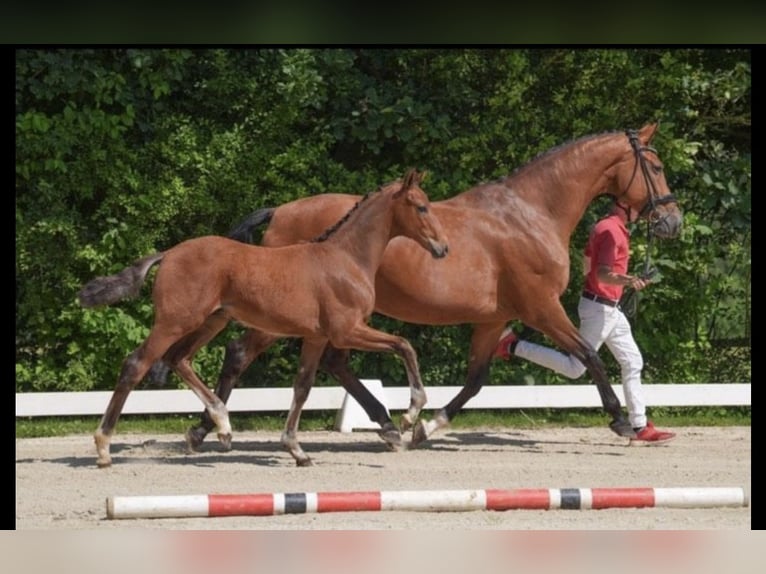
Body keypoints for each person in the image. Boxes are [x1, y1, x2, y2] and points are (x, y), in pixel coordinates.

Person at [493, 200, 676, 444]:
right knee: (574, 368)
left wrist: (609, 289)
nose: (640, 211)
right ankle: (512, 345)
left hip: (606, 307)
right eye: (635, 206)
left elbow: (586, 265)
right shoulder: (612, 232)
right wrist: (629, 281)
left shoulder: (603, 227)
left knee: (632, 361)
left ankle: (639, 426)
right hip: (601, 308)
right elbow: (601, 272)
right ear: (624, 207)